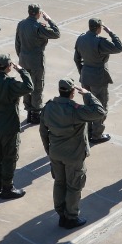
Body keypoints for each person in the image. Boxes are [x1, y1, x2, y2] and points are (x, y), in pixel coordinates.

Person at [39, 78, 106, 229]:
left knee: (59, 183)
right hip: (73, 156)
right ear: (73, 92)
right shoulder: (75, 110)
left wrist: (49, 150)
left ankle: (61, 214)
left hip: (55, 153)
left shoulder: (49, 107)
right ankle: (71, 217)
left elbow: (43, 131)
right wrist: (88, 95)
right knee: (74, 186)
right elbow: (100, 112)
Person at [0, 54, 32, 199]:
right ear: (9, 66)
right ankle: (7, 188)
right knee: (9, 158)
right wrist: (22, 71)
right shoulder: (10, 84)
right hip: (9, 127)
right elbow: (29, 87)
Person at [73, 18, 122, 143]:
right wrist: (111, 33)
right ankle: (97, 134)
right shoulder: (100, 42)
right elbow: (119, 48)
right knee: (100, 106)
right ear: (99, 28)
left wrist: (82, 71)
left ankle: (89, 131)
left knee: (88, 105)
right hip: (98, 78)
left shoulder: (81, 38)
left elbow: (76, 58)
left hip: (86, 77)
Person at [15, 3, 60, 124]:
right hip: (35, 60)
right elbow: (56, 33)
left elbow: (17, 43)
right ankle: (35, 113)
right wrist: (49, 20)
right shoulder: (38, 27)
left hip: (23, 59)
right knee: (37, 86)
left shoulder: (21, 24)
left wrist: (21, 56)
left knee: (26, 84)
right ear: (39, 14)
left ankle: (29, 111)